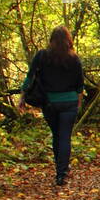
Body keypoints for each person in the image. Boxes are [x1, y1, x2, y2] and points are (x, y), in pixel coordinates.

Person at [21, 26, 84, 187]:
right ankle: (62, 173)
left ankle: (60, 171)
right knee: (65, 137)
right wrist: (79, 102)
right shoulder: (74, 59)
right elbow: (79, 85)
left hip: (50, 102)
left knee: (57, 135)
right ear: (68, 40)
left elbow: (30, 77)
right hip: (69, 103)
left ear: (51, 40)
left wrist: (22, 97)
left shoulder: (42, 56)